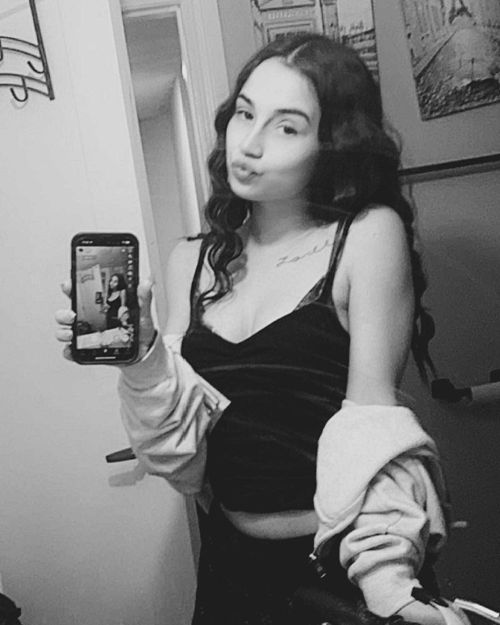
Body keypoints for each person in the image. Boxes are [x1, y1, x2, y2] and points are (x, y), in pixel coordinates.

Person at [56, 34, 472, 625]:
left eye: (287, 127)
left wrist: (387, 584)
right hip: (228, 566)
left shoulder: (365, 236)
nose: (249, 144)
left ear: (331, 144)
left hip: (343, 562)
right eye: (245, 114)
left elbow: (373, 430)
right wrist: (142, 356)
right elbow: (180, 458)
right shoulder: (191, 260)